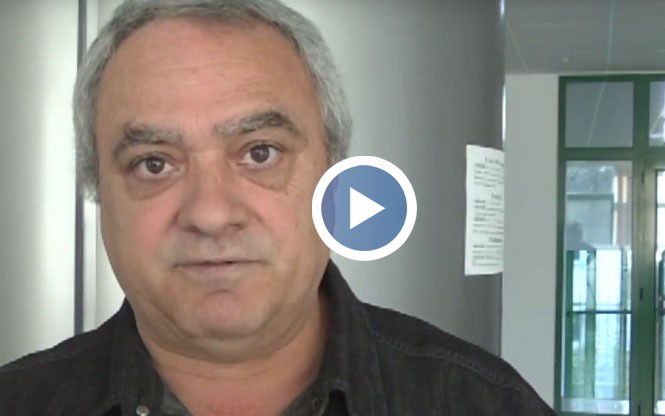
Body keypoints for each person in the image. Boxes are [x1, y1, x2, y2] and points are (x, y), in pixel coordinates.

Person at [0, 0, 554, 415]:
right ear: (97, 189)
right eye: (154, 163)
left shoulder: (486, 403)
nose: (211, 214)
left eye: (260, 153)